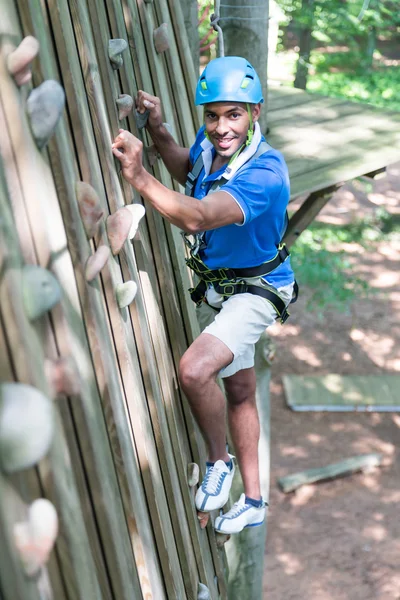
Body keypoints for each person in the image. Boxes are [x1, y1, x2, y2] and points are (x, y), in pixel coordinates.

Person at [112, 56, 295, 535]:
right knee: (237, 389)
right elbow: (189, 173)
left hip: (256, 291)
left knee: (194, 371)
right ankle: (253, 500)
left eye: (233, 114)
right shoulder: (214, 146)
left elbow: (196, 216)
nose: (220, 127)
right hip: (226, 289)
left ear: (255, 111)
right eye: (211, 115)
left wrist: (138, 177)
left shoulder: (265, 173)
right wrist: (159, 133)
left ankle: (221, 462)